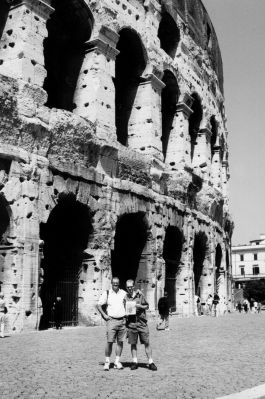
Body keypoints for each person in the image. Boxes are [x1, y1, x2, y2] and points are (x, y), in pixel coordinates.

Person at [125, 279, 157, 371]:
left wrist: (140, 307)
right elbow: (124, 309)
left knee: (146, 343)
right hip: (131, 323)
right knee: (133, 343)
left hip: (142, 323)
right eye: (128, 287)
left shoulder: (140, 295)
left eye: (131, 287)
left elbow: (147, 306)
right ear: (126, 288)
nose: (130, 289)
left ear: (133, 286)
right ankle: (134, 362)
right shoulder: (125, 297)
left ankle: (150, 362)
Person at [97, 277, 126, 371]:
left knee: (120, 342)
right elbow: (99, 305)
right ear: (111, 283)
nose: (115, 284)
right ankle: (107, 361)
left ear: (119, 284)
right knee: (109, 342)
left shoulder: (123, 293)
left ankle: (117, 361)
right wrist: (104, 315)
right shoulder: (107, 293)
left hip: (122, 320)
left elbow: (129, 303)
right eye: (114, 283)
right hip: (111, 320)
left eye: (117, 283)